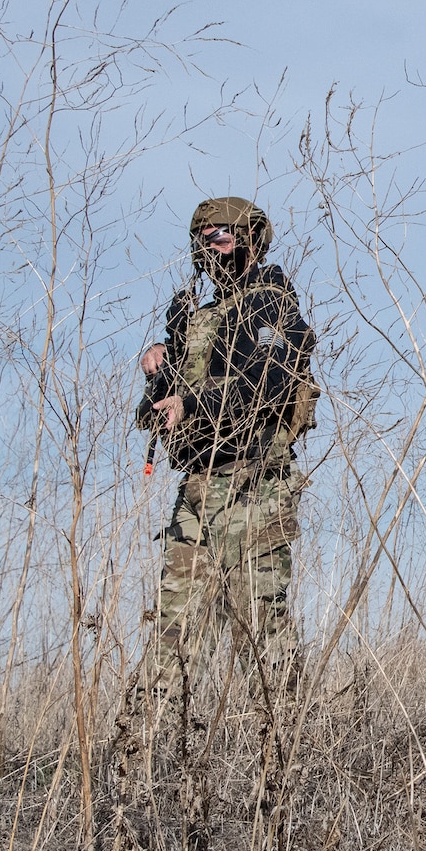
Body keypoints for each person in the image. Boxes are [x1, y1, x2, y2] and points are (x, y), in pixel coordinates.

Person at [136, 197, 315, 703]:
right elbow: (163, 408)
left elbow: (271, 381)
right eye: (203, 237)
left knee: (258, 624)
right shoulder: (193, 318)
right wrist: (159, 366)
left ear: (249, 240)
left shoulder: (272, 300)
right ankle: (146, 756)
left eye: (221, 236)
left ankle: (284, 747)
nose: (209, 246)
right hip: (196, 486)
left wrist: (189, 400)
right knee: (172, 627)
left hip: (256, 484)